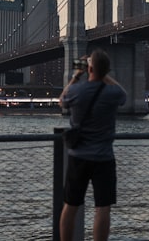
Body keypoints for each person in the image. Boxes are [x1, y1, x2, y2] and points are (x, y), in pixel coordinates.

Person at [59, 48, 127, 241]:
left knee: (70, 206)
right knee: (102, 208)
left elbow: (62, 101)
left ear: (89, 69)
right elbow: (123, 94)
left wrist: (75, 76)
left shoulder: (76, 90)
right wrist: (103, 75)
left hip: (78, 157)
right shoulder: (112, 93)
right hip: (104, 158)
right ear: (106, 71)